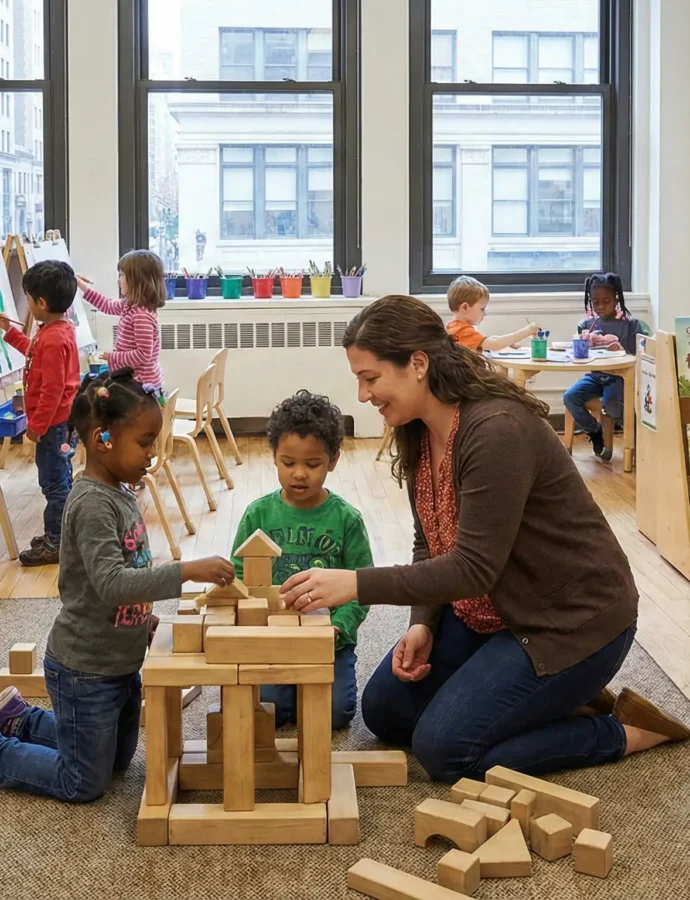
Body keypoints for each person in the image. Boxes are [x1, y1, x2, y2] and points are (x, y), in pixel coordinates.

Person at [279, 294, 689, 784]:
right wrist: (424, 624)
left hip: (568, 623)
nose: (363, 395)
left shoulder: (494, 431)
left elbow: (473, 568)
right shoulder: (416, 428)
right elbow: (429, 542)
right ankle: (550, 703)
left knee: (445, 750)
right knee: (385, 710)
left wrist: (353, 583)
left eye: (370, 378)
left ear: (417, 364)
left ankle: (621, 731)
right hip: (491, 612)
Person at [0, 368, 235, 803]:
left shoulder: (122, 490)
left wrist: (143, 619)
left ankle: (20, 718)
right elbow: (111, 583)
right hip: (84, 670)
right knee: (84, 782)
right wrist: (186, 571)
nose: (152, 452)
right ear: (102, 440)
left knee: (118, 763)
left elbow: (130, 566)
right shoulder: (90, 502)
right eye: (144, 442)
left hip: (121, 663)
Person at [231, 390, 372, 730]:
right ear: (274, 457)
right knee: (269, 712)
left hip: (328, 642)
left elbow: (363, 586)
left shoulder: (347, 520)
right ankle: (289, 688)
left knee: (335, 715)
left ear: (333, 460)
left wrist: (339, 627)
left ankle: (306, 685)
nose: (299, 474)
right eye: (288, 463)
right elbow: (238, 575)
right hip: (272, 639)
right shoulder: (258, 514)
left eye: (312, 465)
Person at [0, 261, 80, 566]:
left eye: (29, 299)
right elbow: (33, 350)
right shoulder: (56, 331)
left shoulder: (54, 338)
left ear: (41, 303)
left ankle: (56, 542)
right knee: (61, 479)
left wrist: (37, 427)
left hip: (54, 426)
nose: (28, 304)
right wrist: (9, 331)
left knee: (54, 483)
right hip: (60, 423)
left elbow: (53, 390)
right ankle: (61, 533)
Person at [563, 273, 645, 460]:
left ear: (616, 297)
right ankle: (594, 431)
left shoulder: (631, 325)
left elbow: (639, 355)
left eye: (606, 301)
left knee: (613, 407)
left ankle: (632, 438)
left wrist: (621, 347)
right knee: (570, 397)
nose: (600, 307)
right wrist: (582, 342)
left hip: (619, 377)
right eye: (595, 302)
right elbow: (581, 354)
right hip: (595, 377)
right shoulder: (586, 325)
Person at [77, 249, 166, 389]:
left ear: (137, 281)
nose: (119, 281)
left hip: (141, 385)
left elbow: (143, 355)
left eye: (122, 276)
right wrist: (81, 285)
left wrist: (112, 357)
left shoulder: (141, 315)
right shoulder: (129, 305)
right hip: (133, 380)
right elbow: (106, 305)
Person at [446, 275, 539, 352]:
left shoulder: (452, 327)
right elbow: (495, 344)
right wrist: (527, 331)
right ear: (465, 307)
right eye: (482, 309)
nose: (484, 313)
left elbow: (485, 341)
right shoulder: (463, 331)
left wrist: (508, 342)